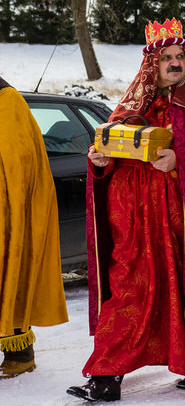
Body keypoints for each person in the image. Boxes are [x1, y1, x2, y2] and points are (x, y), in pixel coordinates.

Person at [68, 18, 185, 402]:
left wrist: (180, 160)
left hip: (184, 225)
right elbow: (110, 151)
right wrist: (98, 161)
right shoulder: (129, 106)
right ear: (152, 64)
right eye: (167, 58)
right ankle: (105, 376)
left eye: (180, 56)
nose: (174, 63)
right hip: (133, 224)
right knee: (127, 293)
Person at [0, 78, 68, 379]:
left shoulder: (7, 100)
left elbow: (18, 159)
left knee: (10, 276)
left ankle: (19, 352)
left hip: (7, 208)